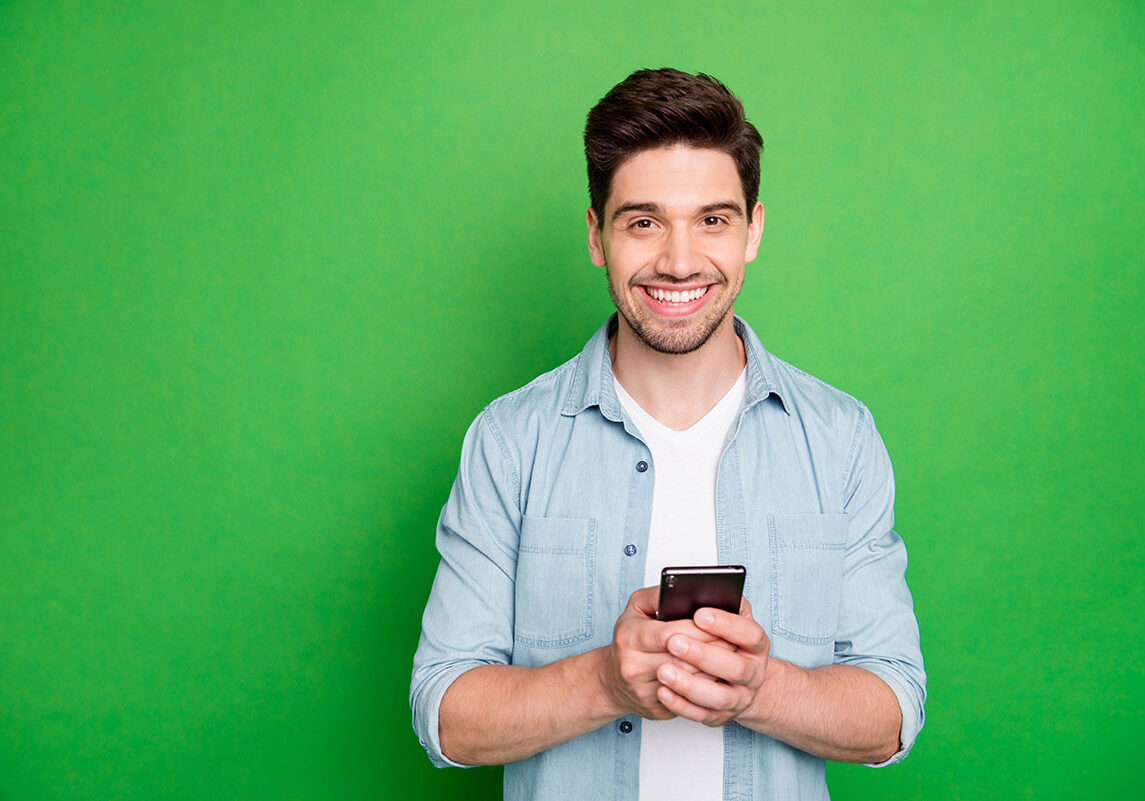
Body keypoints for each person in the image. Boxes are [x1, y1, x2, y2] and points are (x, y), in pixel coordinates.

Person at [410, 68, 925, 801]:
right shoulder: (509, 439)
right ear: (596, 235)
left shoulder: (838, 436)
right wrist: (605, 681)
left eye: (712, 220)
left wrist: (756, 689)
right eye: (643, 221)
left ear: (752, 230)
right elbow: (445, 714)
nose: (679, 261)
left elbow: (892, 710)